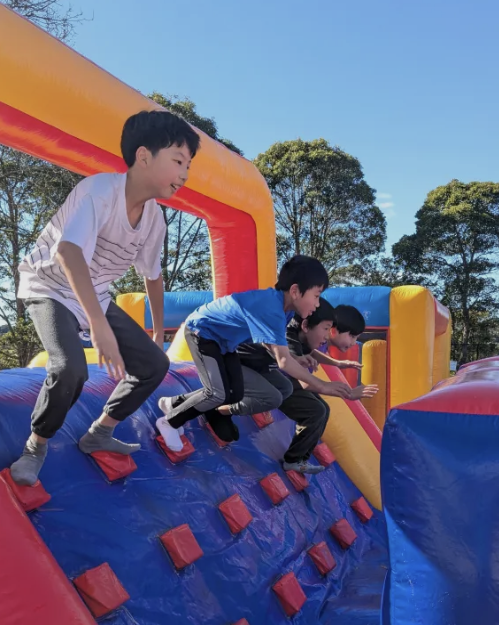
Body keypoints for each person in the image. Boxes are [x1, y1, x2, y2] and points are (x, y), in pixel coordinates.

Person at [10, 110, 200, 486]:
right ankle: (36, 445)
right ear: (144, 156)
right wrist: (97, 323)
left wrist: (158, 333)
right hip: (49, 287)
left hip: (93, 293)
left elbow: (154, 276)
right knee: (69, 368)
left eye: (188, 165)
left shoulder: (154, 220)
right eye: (178, 161)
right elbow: (68, 253)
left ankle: (99, 431)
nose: (185, 173)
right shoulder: (99, 192)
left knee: (154, 366)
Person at [157, 255, 355, 450]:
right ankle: (169, 422)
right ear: (295, 291)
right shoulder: (271, 308)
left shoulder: (284, 310)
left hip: (226, 343)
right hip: (203, 333)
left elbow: (271, 344)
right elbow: (283, 362)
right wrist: (322, 385)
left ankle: (174, 403)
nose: (317, 304)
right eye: (316, 296)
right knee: (218, 392)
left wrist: (295, 357)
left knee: (234, 393)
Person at [234, 298, 378, 474]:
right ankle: (293, 459)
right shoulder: (293, 338)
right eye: (352, 336)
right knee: (316, 410)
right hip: (273, 378)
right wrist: (345, 392)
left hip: (280, 377)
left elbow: (311, 353)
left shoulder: (314, 337)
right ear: (332, 329)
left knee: (322, 408)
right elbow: (304, 382)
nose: (354, 342)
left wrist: (337, 363)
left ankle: (300, 458)